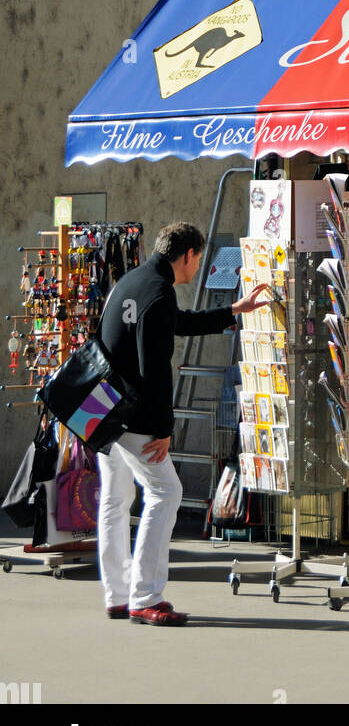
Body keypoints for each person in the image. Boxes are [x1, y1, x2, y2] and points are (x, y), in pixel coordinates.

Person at [96, 222, 269, 626]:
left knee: (115, 500)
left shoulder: (133, 281)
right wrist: (164, 430)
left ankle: (118, 596)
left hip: (104, 410)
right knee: (166, 492)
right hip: (134, 415)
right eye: (197, 259)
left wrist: (230, 311)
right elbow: (155, 371)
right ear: (188, 254)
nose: (196, 270)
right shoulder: (158, 293)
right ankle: (146, 596)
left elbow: (176, 322)